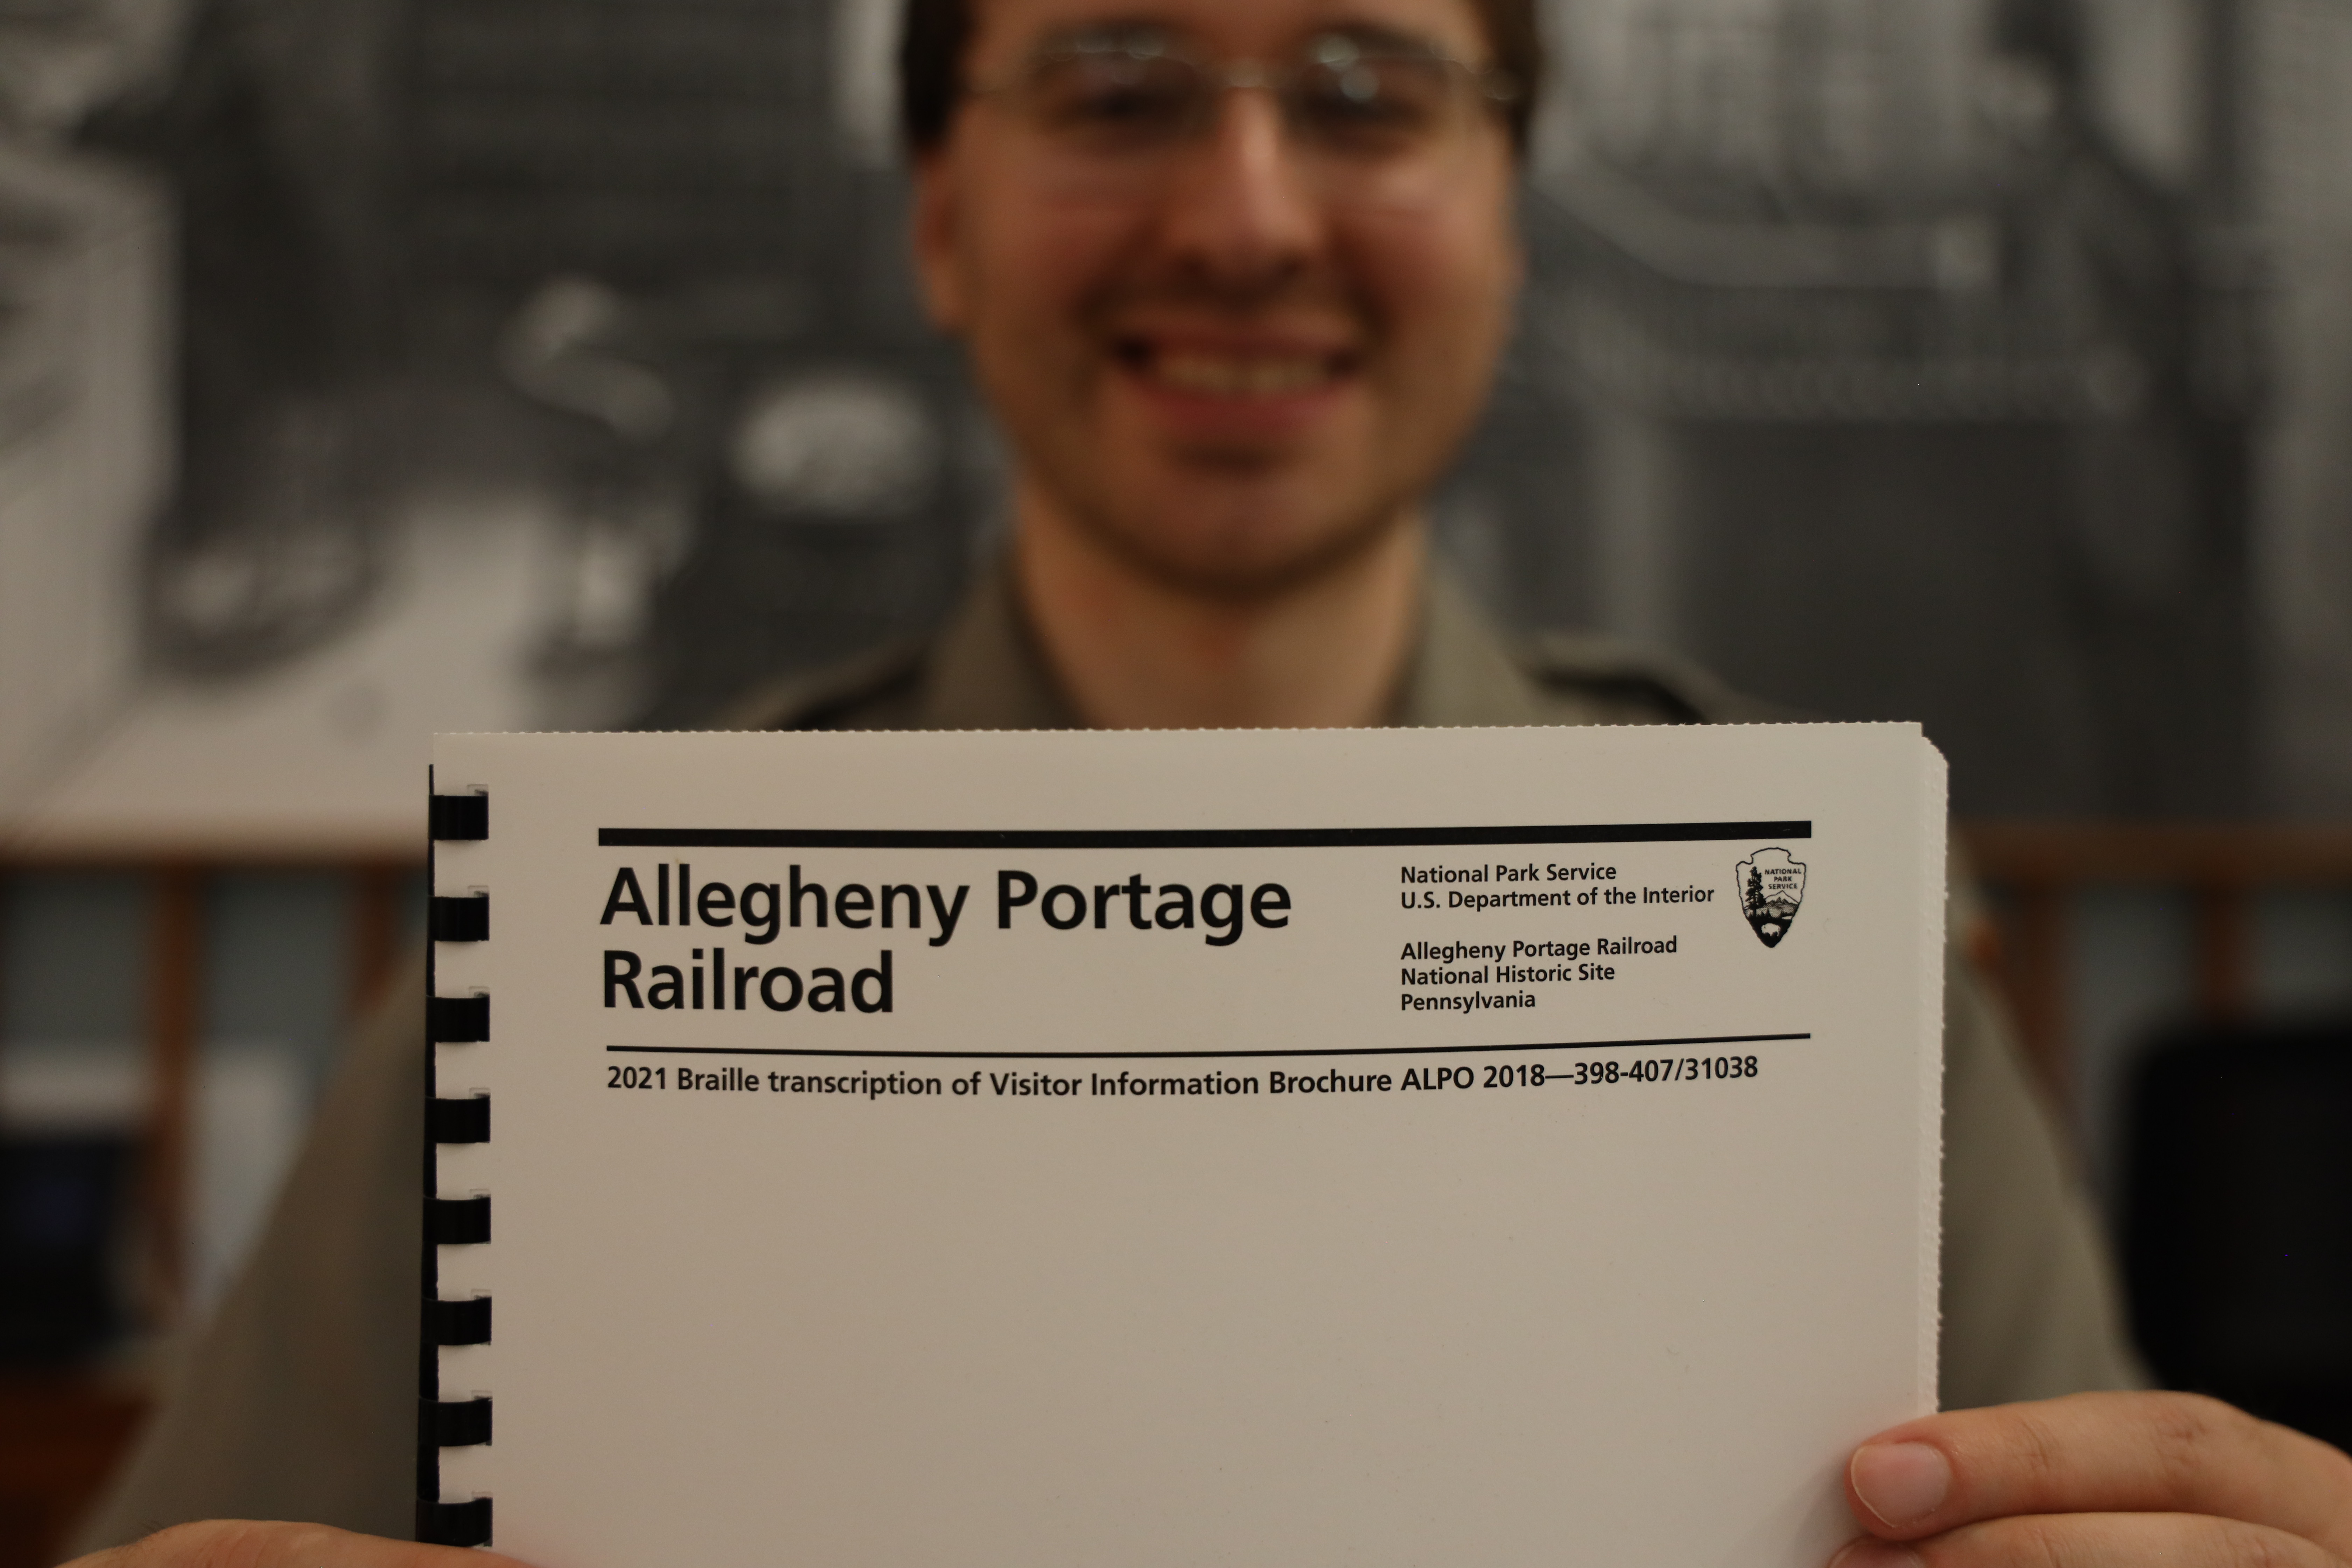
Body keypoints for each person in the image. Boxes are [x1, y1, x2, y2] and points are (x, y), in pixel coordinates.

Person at [66, 0, 2352, 1561]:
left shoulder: (1841, 970)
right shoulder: (560, 972)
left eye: (1365, 93)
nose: (1248, 217)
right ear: (937, 219)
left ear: (1507, 216)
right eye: (1118, 89)